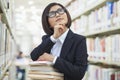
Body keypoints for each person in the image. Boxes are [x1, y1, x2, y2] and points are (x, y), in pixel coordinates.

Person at [30, 2, 88, 80]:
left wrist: (53, 59)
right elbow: (34, 56)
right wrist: (54, 37)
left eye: (60, 11)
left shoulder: (79, 40)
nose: (57, 15)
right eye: (52, 14)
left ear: (66, 15)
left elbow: (79, 73)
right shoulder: (47, 39)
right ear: (48, 23)